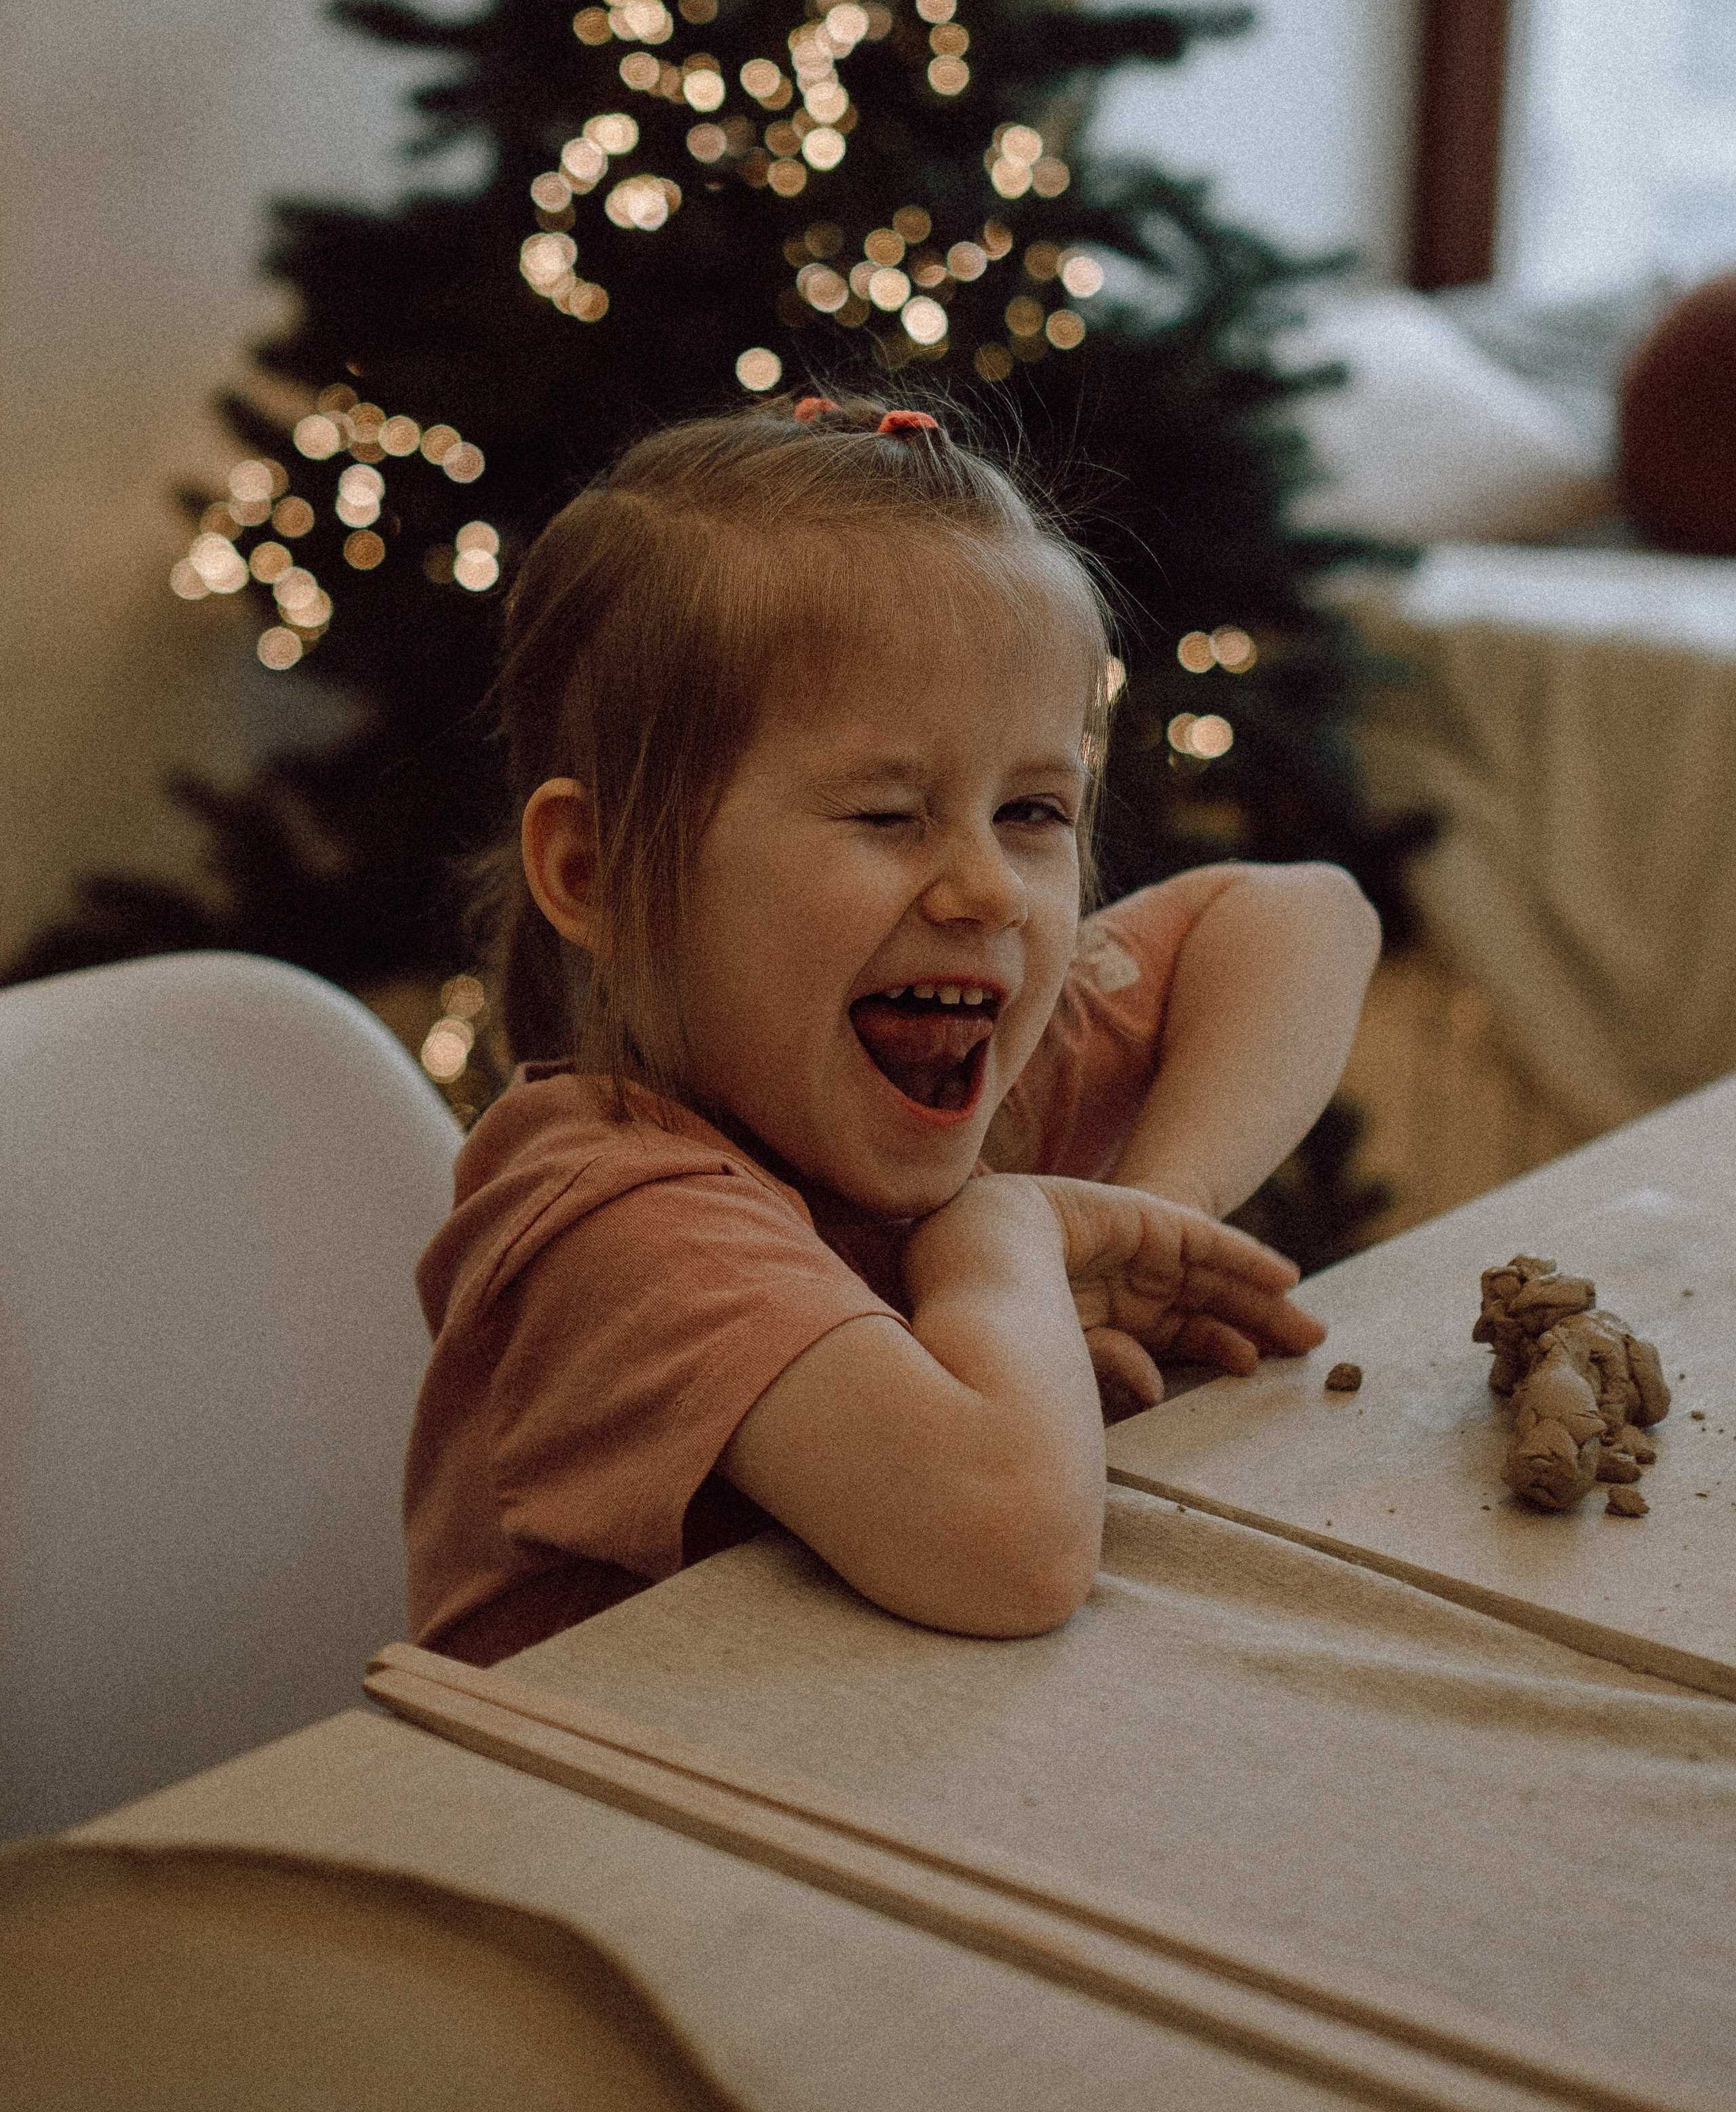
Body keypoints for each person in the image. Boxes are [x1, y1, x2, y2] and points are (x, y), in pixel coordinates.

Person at [404, 395, 1380, 1665]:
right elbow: (1013, 1546)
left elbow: (1308, 918)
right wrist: (1006, 1237)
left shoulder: (959, 1072)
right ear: (600, 873)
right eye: (885, 815)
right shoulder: (615, 1218)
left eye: (1034, 810)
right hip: (569, 1842)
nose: (986, 889)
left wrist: (1155, 1213)